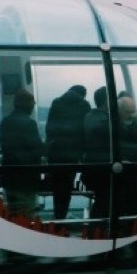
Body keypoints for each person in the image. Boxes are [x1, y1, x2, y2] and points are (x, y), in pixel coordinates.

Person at [44, 85, 90, 220]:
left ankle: (57, 218)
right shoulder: (84, 105)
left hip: (55, 153)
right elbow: (85, 130)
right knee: (66, 188)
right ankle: (61, 218)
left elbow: (49, 128)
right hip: (72, 155)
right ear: (82, 94)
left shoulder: (56, 102)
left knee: (57, 188)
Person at [0, 89, 44, 217]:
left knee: (14, 212)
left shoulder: (5, 122)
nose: (33, 107)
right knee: (26, 214)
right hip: (26, 177)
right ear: (27, 105)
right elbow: (37, 149)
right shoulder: (29, 123)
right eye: (32, 104)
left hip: (9, 175)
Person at [81, 86, 112, 219]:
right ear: (107, 101)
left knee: (101, 198)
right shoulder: (106, 121)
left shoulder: (88, 117)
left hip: (90, 166)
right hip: (103, 168)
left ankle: (95, 228)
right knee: (104, 199)